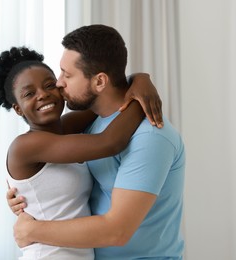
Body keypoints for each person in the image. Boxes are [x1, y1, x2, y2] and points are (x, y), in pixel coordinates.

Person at [11, 24, 185, 260]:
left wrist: (32, 230)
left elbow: (118, 232)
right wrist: (25, 197)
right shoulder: (92, 122)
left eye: (67, 75)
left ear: (100, 82)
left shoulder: (150, 137)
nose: (59, 83)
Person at [0, 46, 162, 259]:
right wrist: (140, 99)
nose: (42, 95)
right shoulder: (25, 146)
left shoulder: (65, 129)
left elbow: (106, 98)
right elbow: (110, 142)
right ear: (18, 109)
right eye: (29, 93)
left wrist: (140, 79)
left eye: (50, 85)